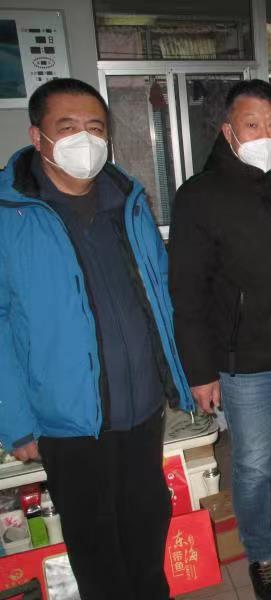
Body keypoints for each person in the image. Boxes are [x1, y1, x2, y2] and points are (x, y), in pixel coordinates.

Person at [0, 78, 193, 600]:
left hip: (141, 406)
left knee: (147, 521)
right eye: (67, 127)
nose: (83, 139)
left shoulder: (128, 202)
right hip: (69, 419)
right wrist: (16, 423)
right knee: (95, 541)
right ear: (37, 136)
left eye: (95, 127)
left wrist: (180, 376)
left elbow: (159, 293)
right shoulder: (11, 216)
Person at [168, 79, 271, 600]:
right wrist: (200, 371)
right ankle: (260, 554)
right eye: (252, 124)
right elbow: (187, 293)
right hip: (244, 364)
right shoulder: (200, 196)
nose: (266, 134)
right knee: (254, 462)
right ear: (229, 131)